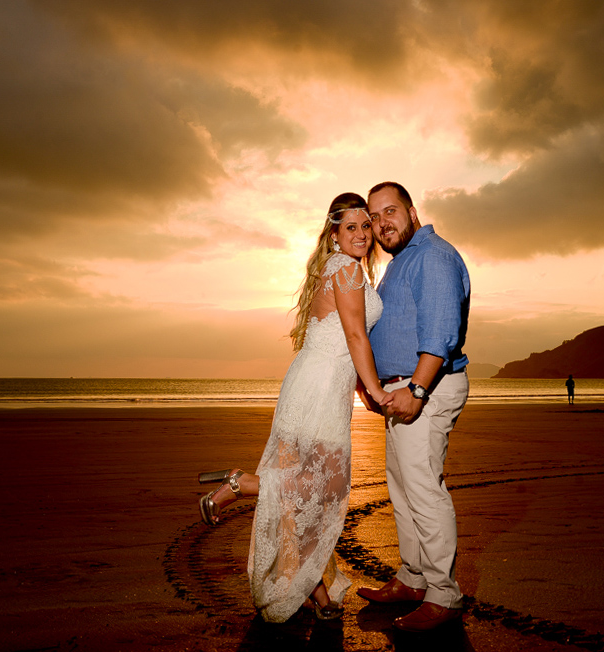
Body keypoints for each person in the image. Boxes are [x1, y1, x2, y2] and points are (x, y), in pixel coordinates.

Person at [195, 193, 388, 623]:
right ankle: (242, 483)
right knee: (323, 490)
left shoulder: (340, 269)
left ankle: (315, 592)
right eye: (350, 227)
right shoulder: (346, 269)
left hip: (316, 384)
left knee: (313, 495)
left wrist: (357, 389)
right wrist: (374, 392)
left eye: (365, 226)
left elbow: (342, 339)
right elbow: (356, 338)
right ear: (334, 234)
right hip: (318, 388)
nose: (360, 234)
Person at [356, 181, 471, 632]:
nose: (382, 224)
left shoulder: (433, 256)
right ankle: (413, 577)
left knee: (423, 489)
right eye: (375, 217)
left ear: (411, 210)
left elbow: (440, 331)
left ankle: (443, 594)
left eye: (390, 212)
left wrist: (417, 391)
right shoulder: (404, 261)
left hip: (427, 389)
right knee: (403, 487)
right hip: (401, 390)